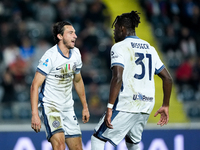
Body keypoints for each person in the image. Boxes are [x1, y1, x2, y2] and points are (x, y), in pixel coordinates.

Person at [91, 11, 173, 150]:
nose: (114, 32)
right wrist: (165, 105)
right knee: (132, 141)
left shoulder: (119, 47)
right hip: (146, 104)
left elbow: (117, 78)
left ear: (122, 28)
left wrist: (110, 108)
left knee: (97, 139)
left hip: (127, 103)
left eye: (115, 28)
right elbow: (168, 78)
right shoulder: (150, 48)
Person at [30, 21, 90, 150]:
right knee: (60, 146)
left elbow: (78, 80)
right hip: (51, 107)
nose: (75, 36)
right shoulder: (50, 57)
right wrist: (35, 114)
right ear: (60, 36)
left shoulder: (76, 54)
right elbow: (35, 85)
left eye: (74, 32)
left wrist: (85, 106)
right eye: (70, 33)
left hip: (68, 108)